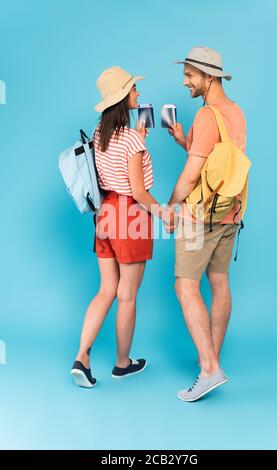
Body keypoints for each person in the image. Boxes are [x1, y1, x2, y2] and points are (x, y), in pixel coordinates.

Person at [71, 66, 176, 388]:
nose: (139, 94)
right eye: (134, 90)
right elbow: (139, 191)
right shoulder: (130, 138)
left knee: (106, 291)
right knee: (127, 296)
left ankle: (81, 358)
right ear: (122, 98)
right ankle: (122, 363)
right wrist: (164, 214)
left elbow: (115, 171)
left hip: (105, 216)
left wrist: (138, 142)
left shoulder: (100, 131)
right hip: (129, 216)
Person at [167, 46, 247, 402]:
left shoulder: (205, 117)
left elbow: (190, 179)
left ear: (209, 76)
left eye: (189, 75)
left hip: (200, 217)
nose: (185, 81)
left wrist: (171, 207)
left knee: (185, 287)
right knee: (219, 282)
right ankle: (213, 358)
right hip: (231, 212)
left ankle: (209, 368)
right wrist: (187, 143)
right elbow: (219, 165)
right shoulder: (236, 112)